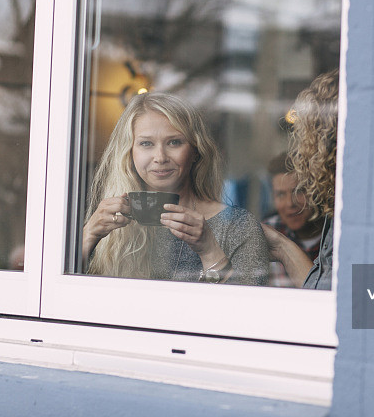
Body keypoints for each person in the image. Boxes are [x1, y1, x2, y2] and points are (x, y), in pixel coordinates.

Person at [82, 92, 269, 285]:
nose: (160, 157)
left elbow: (247, 311)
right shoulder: (111, 226)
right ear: (130, 153)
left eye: (174, 142)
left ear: (196, 151)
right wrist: (88, 236)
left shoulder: (238, 226)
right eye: (146, 143)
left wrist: (209, 251)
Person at [262, 69, 338, 290]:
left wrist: (281, 247)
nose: (290, 203)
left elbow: (323, 296)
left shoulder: (342, 222)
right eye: (280, 194)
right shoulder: (270, 227)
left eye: (309, 140)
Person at [263, 152, 324, 287]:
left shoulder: (334, 238)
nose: (290, 203)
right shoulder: (267, 233)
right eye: (280, 194)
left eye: (299, 191)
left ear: (316, 191)